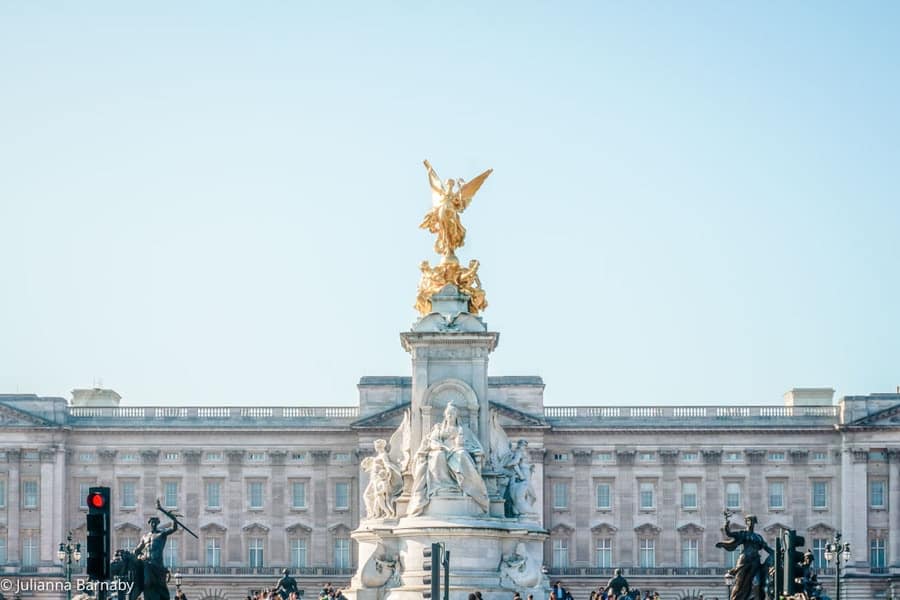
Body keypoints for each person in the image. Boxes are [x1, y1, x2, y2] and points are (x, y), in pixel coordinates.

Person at [716, 511, 774, 600]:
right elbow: (729, 534)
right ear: (746, 522)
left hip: (755, 562)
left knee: (757, 583)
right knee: (739, 584)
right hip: (744, 561)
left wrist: (778, 553)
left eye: (753, 522)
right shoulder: (743, 534)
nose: (751, 523)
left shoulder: (758, 537)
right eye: (749, 521)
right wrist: (726, 523)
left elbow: (767, 548)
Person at [133, 516, 179, 600]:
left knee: (162, 587)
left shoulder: (161, 534)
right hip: (148, 564)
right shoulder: (145, 537)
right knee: (146, 583)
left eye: (155, 522)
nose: (153, 524)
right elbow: (136, 551)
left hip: (158, 565)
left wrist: (174, 519)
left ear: (158, 523)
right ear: (149, 523)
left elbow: (173, 528)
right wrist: (140, 556)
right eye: (152, 522)